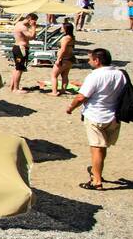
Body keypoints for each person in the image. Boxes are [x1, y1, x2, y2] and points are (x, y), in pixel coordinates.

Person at [66, 48, 126, 190]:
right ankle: (96, 170)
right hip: (113, 116)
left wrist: (71, 107)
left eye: (90, 59)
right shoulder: (120, 74)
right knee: (102, 146)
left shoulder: (94, 76)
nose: (89, 62)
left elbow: (82, 97)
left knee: (96, 148)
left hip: (96, 115)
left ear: (97, 61)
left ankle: (96, 180)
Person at [9, 13, 38, 92]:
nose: (34, 22)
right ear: (30, 19)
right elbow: (32, 37)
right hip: (21, 49)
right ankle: (16, 88)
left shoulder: (18, 23)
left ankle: (12, 87)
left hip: (16, 47)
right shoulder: (23, 27)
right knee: (19, 69)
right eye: (34, 21)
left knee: (17, 68)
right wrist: (34, 27)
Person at [51, 21, 76, 96]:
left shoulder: (65, 38)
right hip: (70, 58)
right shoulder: (72, 37)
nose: (61, 28)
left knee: (54, 75)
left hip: (64, 59)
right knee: (65, 75)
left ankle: (54, 92)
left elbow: (63, 49)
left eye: (62, 27)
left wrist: (59, 59)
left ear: (66, 29)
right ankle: (63, 90)